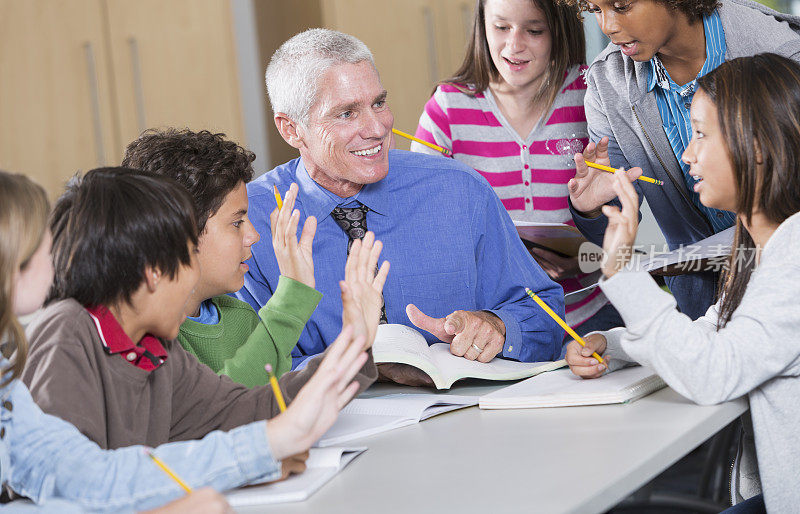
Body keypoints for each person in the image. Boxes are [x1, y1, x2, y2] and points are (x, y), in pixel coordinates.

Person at [0, 170, 368, 512]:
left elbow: (239, 412)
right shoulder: (66, 333)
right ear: (153, 273)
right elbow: (75, 485)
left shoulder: (155, 347)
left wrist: (351, 349)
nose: (195, 276)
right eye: (192, 255)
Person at [236, 28, 565, 384]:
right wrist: (357, 363)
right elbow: (239, 374)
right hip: (328, 430)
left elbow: (546, 316)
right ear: (291, 129)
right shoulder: (249, 219)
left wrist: (496, 326)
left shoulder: (459, 190)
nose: (378, 128)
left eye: (379, 103)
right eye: (347, 113)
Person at [565, 53, 800, 513]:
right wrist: (611, 348)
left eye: (700, 134)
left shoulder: (794, 256)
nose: (687, 154)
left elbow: (713, 372)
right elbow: (710, 332)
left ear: (756, 147)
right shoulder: (759, 248)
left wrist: (622, 271)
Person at [561, 0, 800, 319]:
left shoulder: (784, 54)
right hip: (702, 305)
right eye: (595, 10)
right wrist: (593, 209)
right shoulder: (608, 83)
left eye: (621, 5)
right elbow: (614, 225)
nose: (608, 26)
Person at [413, 0, 622, 337]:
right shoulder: (447, 109)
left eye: (534, 30)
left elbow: (623, 224)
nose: (514, 45)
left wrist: (587, 258)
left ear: (560, 29)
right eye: (501, 27)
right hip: (499, 324)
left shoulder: (590, 94)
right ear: (482, 25)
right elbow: (425, 231)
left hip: (591, 316)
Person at [122, 128, 327, 384]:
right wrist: (291, 303)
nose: (253, 236)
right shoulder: (138, 333)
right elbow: (216, 406)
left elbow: (273, 403)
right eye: (237, 222)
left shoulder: (240, 318)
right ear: (177, 232)